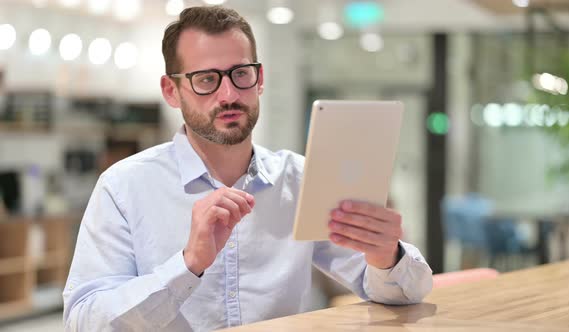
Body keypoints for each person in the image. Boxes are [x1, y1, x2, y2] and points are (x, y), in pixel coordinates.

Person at [63, 5, 433, 331]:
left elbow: (406, 293)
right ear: (171, 91)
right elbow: (83, 321)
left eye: (241, 73)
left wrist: (386, 257)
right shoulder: (123, 187)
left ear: (260, 79)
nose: (228, 95)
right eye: (206, 79)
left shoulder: (302, 180)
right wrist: (187, 265)